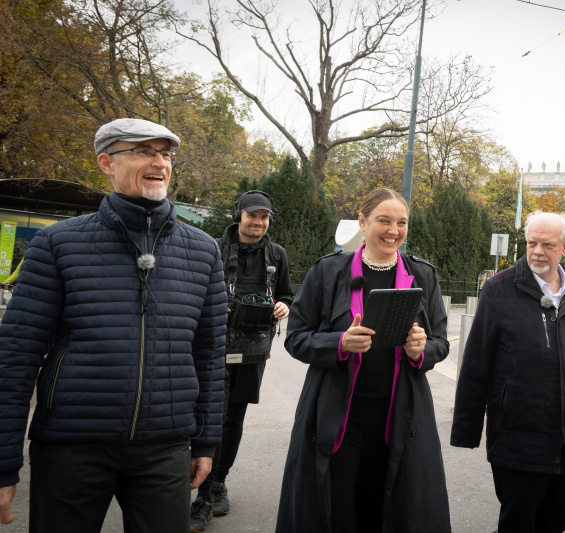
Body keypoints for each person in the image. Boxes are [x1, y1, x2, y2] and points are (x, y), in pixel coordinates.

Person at [0, 118, 227, 532]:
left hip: (166, 447)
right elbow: (15, 358)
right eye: (143, 151)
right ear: (106, 162)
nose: (159, 162)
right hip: (72, 446)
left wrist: (207, 441)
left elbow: (209, 356)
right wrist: (3, 463)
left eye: (166, 153)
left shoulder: (204, 251)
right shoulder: (58, 244)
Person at [276, 188, 451, 532]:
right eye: (383, 220)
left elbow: (440, 343)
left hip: (399, 418)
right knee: (336, 510)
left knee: (386, 510)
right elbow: (296, 337)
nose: (393, 230)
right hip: (338, 417)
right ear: (363, 222)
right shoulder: (329, 271)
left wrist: (421, 351)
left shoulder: (423, 275)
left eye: (401, 222)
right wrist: (339, 342)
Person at [451, 211, 565, 533]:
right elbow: (476, 364)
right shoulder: (499, 291)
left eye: (547, 244)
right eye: (531, 243)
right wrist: (466, 430)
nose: (537, 251)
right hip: (519, 434)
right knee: (520, 517)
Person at [189, 191, 293, 532]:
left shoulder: (277, 255)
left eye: (264, 217)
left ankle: (218, 482)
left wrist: (284, 305)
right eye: (253, 215)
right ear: (240, 215)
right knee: (210, 417)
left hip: (253, 351)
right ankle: (203, 493)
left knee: (233, 419)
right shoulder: (214, 249)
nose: (258, 222)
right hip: (213, 347)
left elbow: (287, 293)